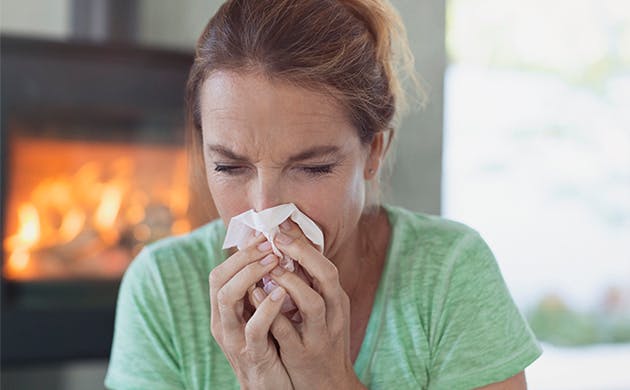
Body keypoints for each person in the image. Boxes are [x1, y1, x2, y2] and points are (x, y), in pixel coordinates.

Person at [105, 0, 542, 388]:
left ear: (374, 152)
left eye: (312, 168)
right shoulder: (162, 288)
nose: (265, 209)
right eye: (230, 167)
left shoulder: (448, 273)